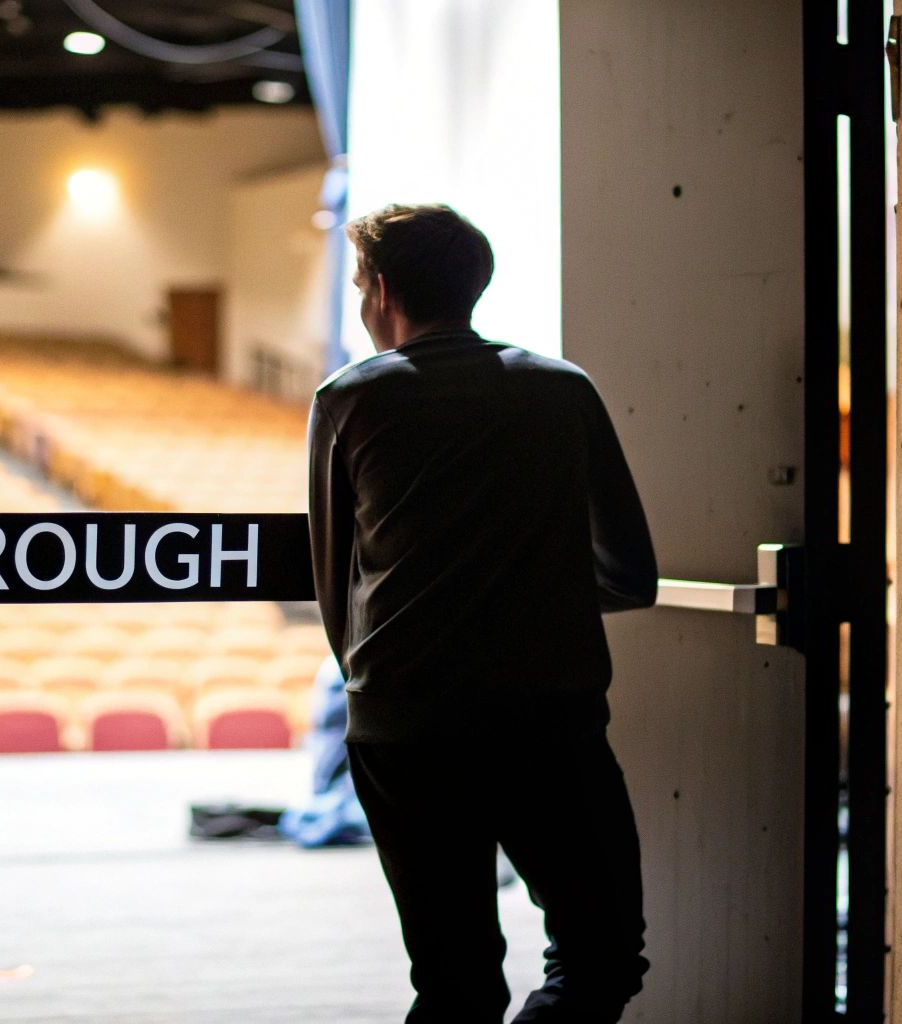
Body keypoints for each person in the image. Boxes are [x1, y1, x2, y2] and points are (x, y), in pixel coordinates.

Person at [307, 203, 658, 1023]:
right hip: (550, 718)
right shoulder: (562, 389)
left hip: (407, 724)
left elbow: (337, 587)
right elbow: (630, 575)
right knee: (601, 958)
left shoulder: (349, 399)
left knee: (455, 981)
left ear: (383, 290)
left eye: (360, 285)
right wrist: (537, 592)